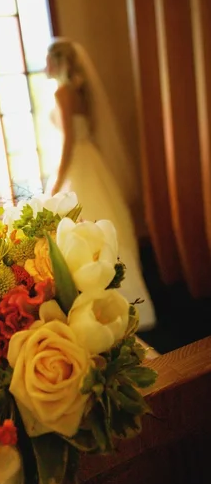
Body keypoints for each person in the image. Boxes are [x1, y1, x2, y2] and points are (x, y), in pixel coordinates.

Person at [45, 37, 156, 331]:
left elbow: (68, 138)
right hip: (92, 158)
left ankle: (105, 311)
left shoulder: (62, 93)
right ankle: (124, 306)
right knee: (104, 230)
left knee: (84, 230)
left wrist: (56, 181)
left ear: (56, 62)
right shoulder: (82, 92)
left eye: (48, 59)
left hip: (78, 161)